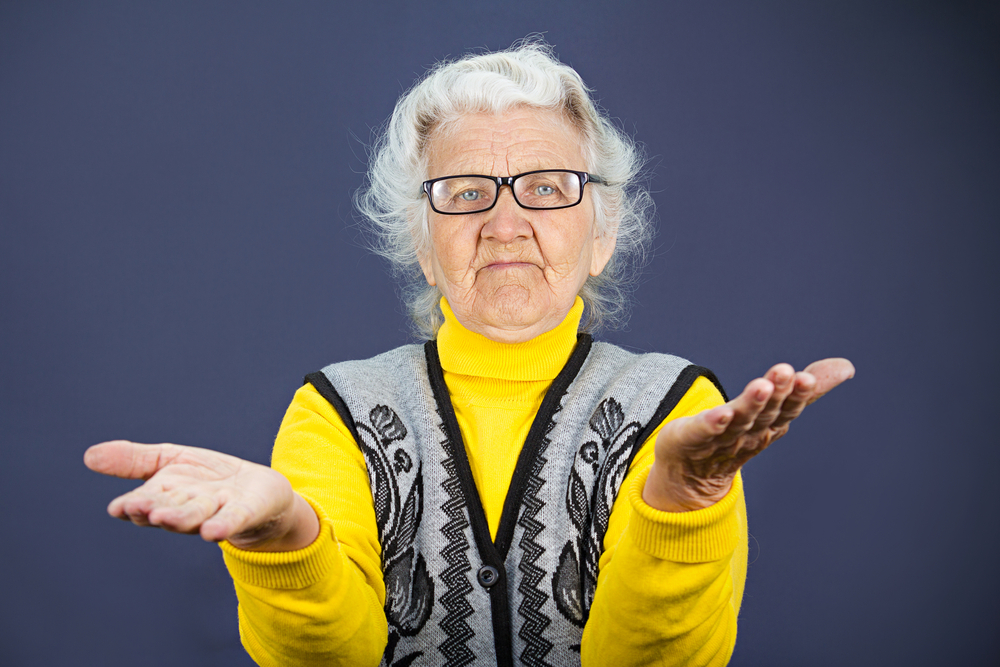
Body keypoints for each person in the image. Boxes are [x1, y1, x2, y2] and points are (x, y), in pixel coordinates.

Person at [85, 41, 853, 667]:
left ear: (603, 231)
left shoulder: (683, 407)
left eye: (548, 188)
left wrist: (682, 501)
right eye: (464, 191)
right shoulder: (335, 411)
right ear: (423, 242)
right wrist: (286, 539)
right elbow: (333, 657)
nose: (507, 222)